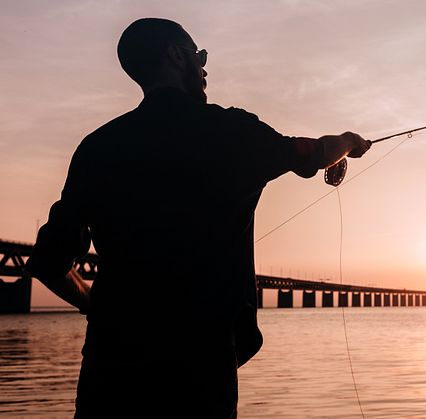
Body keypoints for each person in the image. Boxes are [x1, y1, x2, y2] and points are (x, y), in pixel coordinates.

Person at [25, 17, 371, 418]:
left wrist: (94, 306)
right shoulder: (232, 131)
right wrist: (350, 142)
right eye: (199, 56)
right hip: (201, 368)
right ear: (176, 56)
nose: (204, 67)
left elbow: (49, 265)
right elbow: (316, 153)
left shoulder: (96, 148)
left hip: (111, 366)